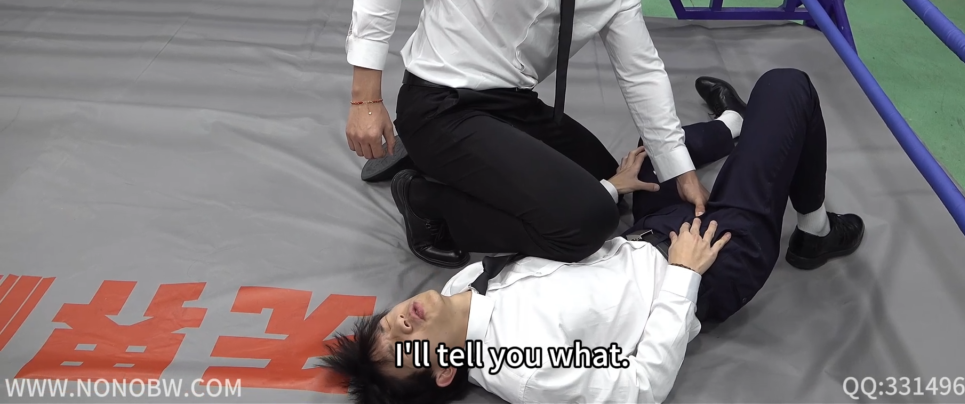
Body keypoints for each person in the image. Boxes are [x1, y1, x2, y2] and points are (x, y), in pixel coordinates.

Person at [321, 69, 867, 404]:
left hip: (643, 234)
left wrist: (611, 190)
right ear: (442, 371)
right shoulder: (527, 371)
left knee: (647, 159)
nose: (398, 324)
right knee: (787, 86)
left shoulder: (462, 285)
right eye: (403, 349)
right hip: (708, 261)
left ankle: (733, 124)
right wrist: (683, 276)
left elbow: (557, 240)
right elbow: (638, 388)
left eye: (383, 326)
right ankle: (815, 231)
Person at [344, 0, 725, 269]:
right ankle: (425, 199)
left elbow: (640, 70)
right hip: (439, 105)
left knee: (609, 183)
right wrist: (366, 99)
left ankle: (449, 163)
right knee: (588, 220)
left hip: (513, 104)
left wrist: (680, 170)